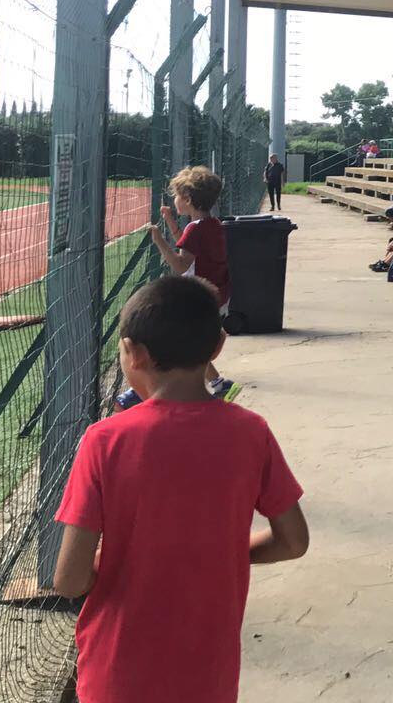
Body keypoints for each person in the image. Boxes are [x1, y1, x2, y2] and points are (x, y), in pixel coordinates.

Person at [52, 276, 309, 703]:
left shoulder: (105, 440)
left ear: (133, 353)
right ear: (218, 346)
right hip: (208, 675)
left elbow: (69, 579)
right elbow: (293, 541)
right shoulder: (251, 432)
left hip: (116, 673)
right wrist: (220, 552)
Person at [147, 165, 236, 401]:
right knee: (191, 343)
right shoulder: (211, 224)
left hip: (199, 297)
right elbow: (187, 244)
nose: (174, 200)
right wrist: (170, 221)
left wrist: (159, 241)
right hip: (217, 295)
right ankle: (218, 383)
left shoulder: (195, 230)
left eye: (177, 196)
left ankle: (157, 386)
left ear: (187, 199)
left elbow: (180, 264)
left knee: (185, 342)